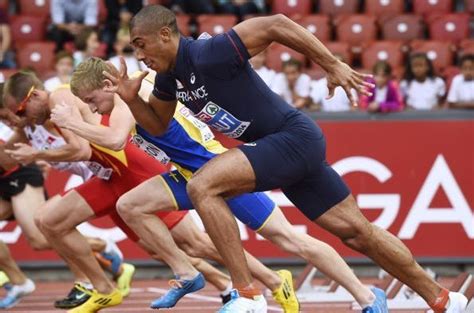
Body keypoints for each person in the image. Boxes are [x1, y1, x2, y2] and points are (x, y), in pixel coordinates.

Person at [110, 5, 468, 312]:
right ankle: (443, 300)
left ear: (165, 34)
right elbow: (156, 125)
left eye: (141, 45)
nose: (139, 56)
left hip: (292, 138)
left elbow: (276, 23)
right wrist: (132, 100)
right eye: (134, 49)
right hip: (280, 149)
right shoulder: (169, 79)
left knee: (204, 184)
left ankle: (248, 295)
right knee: (358, 233)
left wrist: (332, 63)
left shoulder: (209, 53)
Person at [54, 59, 388, 312]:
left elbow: (113, 140)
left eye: (92, 99)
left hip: (219, 172)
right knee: (130, 205)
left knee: (289, 239)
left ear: (110, 85)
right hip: (188, 175)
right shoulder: (128, 94)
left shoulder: (132, 96)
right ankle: (186, 273)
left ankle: (366, 295)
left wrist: (72, 124)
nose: (93, 108)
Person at [0, 79, 133, 310]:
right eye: (4, 119)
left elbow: (80, 150)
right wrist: (31, 154)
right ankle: (95, 281)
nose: (8, 122)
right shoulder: (28, 125)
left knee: (48, 224)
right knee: (48, 223)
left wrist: (37, 156)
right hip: (97, 177)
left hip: (107, 172)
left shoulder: (50, 112)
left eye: (10, 115)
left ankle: (94, 276)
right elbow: (6, 157)